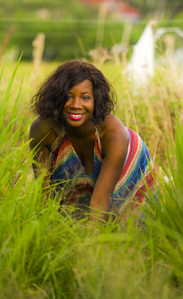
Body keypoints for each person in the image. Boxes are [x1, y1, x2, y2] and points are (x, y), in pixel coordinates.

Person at [30, 60, 155, 224]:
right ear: (57, 97)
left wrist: (91, 247)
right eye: (68, 96)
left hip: (128, 162)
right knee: (70, 222)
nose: (76, 105)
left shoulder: (113, 133)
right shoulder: (43, 129)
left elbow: (100, 201)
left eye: (85, 97)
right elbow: (43, 193)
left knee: (124, 225)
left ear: (96, 100)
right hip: (79, 188)